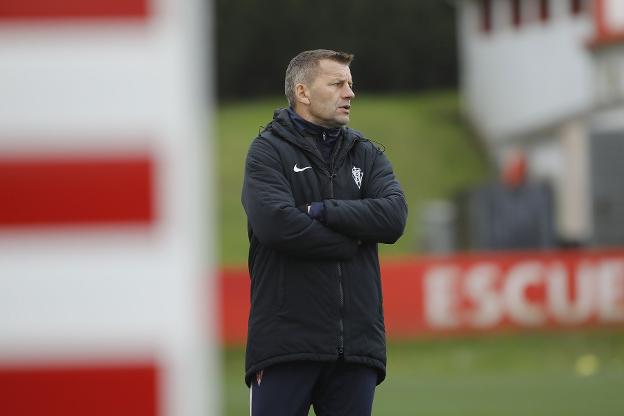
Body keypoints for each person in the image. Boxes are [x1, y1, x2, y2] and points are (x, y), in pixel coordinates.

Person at [241, 49, 408, 416]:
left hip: (357, 351)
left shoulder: (367, 154)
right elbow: (276, 225)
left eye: (350, 84)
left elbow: (394, 217)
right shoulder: (267, 152)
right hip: (285, 345)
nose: (349, 93)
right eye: (337, 83)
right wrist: (352, 238)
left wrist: (323, 211)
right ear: (302, 92)